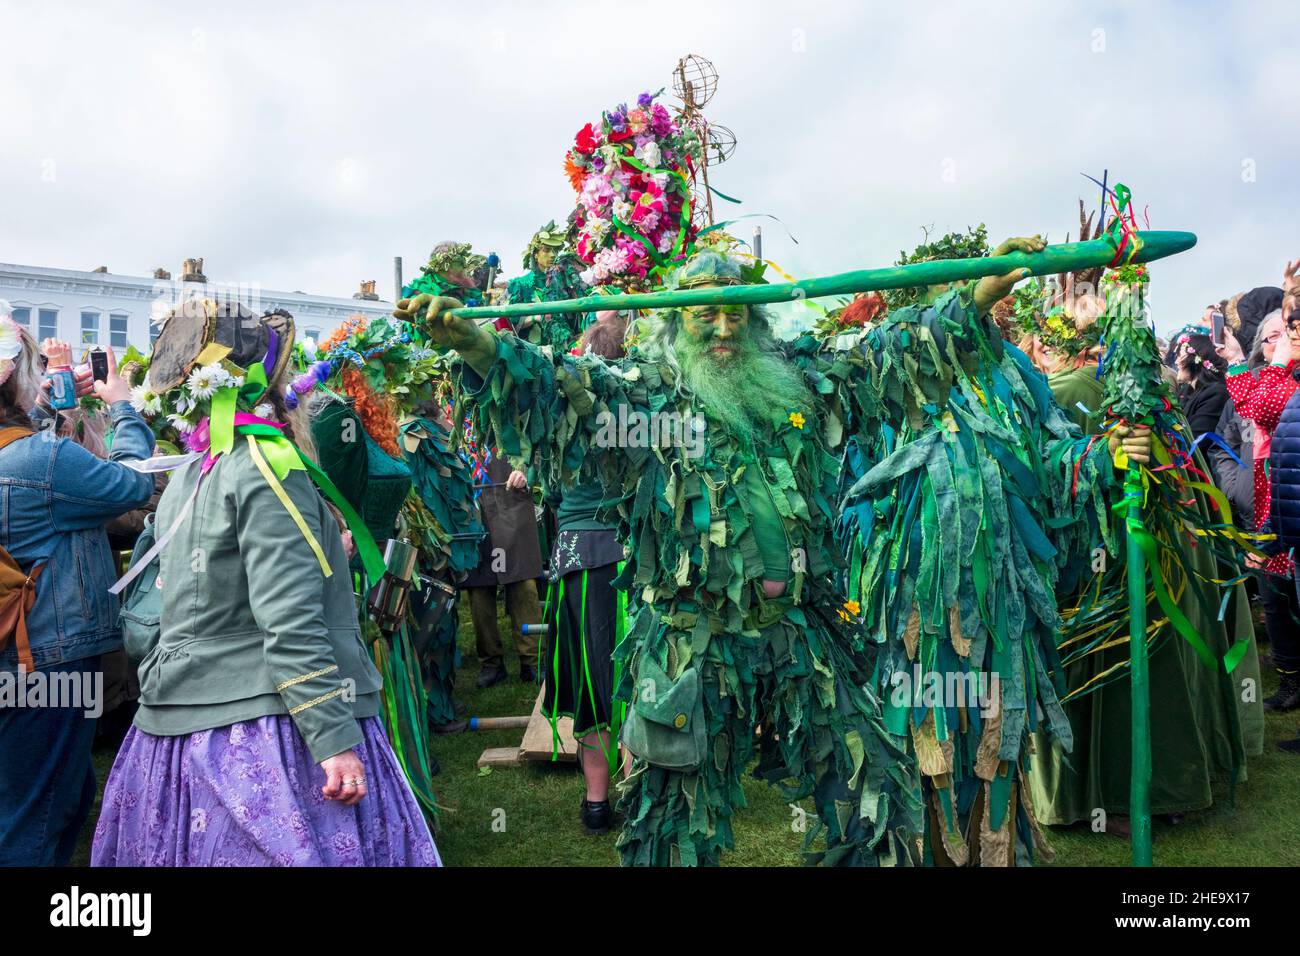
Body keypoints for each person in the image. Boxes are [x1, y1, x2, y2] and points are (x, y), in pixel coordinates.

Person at [396, 249, 921, 867]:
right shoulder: (649, 399)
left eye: (736, 317)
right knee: (675, 815)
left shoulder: (798, 378)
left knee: (867, 787)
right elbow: (561, 387)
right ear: (677, 320)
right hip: (692, 643)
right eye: (706, 317)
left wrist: (974, 300)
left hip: (803, 634)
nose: (724, 332)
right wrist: (481, 348)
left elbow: (878, 360)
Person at [836, 235, 1150, 865]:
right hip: (918, 605)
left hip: (1004, 600)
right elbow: (901, 345)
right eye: (986, 297)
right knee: (927, 737)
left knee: (997, 735)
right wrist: (974, 295)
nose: (1001, 309)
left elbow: (1048, 457)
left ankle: (996, 853)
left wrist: (1100, 456)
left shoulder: (1015, 372)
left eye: (1002, 299)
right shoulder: (895, 365)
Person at [92, 302, 438, 866]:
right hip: (263, 734)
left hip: (180, 730)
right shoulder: (268, 465)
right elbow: (289, 621)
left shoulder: (194, 469)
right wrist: (332, 739)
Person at [1014, 287, 1261, 833]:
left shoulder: (1060, 394)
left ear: (1060, 343)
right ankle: (1167, 783)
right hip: (1168, 556)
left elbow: (1038, 477)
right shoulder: (1155, 393)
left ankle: (1108, 795)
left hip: (1099, 563)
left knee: (1105, 668)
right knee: (1158, 662)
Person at [0, 311, 157, 867]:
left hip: (13, 657)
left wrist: (51, 411)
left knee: (18, 797)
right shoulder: (43, 458)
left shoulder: (25, 451)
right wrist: (121, 405)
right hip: (51, 663)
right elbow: (137, 479)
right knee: (45, 808)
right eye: (34, 364)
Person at [540, 310, 631, 835]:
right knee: (633, 674)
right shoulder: (639, 409)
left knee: (591, 682)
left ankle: (597, 803)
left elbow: (550, 489)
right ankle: (639, 786)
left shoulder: (558, 415)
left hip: (573, 561)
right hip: (624, 558)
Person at [1222, 263, 1300, 709]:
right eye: (1275, 334)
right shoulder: (1267, 378)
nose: (1283, 340)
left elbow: (1264, 407)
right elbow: (1250, 406)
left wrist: (1279, 359)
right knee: (1277, 598)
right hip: (1275, 508)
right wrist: (1236, 360)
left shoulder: (1285, 380)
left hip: (1287, 510)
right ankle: (1291, 680)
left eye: (1289, 329)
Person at [1172, 333, 1229, 437]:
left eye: (1180, 356)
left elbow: (1197, 438)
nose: (1176, 362)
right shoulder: (1186, 390)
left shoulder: (1216, 393)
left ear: (1194, 360)